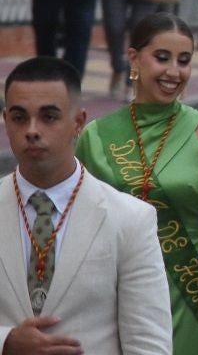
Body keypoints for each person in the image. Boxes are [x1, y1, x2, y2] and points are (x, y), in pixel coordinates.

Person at [76, 13, 198, 353]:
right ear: (134, 58)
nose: (174, 71)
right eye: (162, 58)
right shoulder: (95, 136)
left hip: (185, 289)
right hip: (112, 291)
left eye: (184, 60)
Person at [1, 56, 172, 354]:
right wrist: (6, 342)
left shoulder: (130, 218)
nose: (31, 130)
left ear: (78, 122)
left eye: (49, 116)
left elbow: (149, 343)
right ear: (5, 120)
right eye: (19, 117)